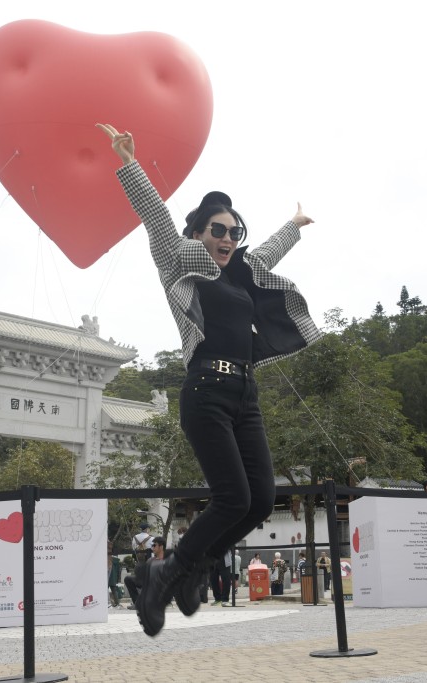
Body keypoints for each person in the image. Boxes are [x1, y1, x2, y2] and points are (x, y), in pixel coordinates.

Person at [98, 122, 321, 637]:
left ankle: (176, 571)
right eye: (217, 230)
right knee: (232, 498)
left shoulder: (242, 271)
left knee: (261, 499)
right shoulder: (181, 262)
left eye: (233, 232)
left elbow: (263, 254)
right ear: (198, 233)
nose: (227, 239)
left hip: (246, 394)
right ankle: (165, 576)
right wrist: (130, 162)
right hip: (205, 391)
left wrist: (291, 225)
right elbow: (155, 219)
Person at [124, 538, 166, 607]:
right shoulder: (151, 560)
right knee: (128, 579)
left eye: (154, 545)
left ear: (161, 547)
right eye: (152, 546)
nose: (152, 548)